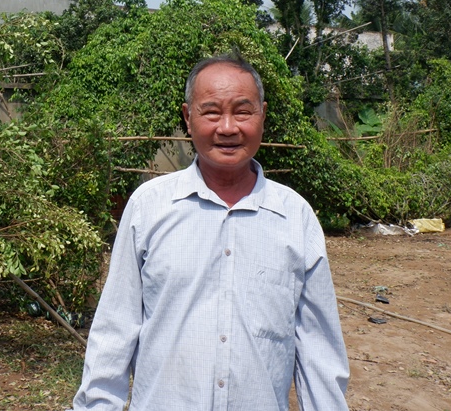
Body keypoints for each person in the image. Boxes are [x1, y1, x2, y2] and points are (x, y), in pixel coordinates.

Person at [70, 55, 349, 410]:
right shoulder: (149, 207)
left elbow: (318, 350)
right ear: (188, 117)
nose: (228, 127)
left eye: (243, 111)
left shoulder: (295, 217)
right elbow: (115, 329)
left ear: (262, 115)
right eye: (212, 112)